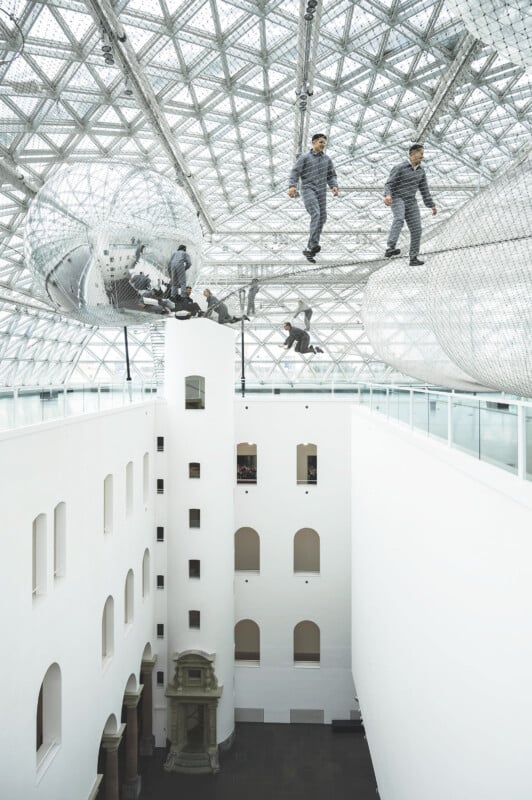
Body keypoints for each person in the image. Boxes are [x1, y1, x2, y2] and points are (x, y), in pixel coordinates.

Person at [288, 133, 339, 262]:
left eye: (324, 143)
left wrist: (334, 185)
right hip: (308, 189)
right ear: (314, 142)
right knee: (316, 213)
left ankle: (310, 249)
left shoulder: (327, 159)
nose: (323, 145)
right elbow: (295, 171)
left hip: (321, 191)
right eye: (321, 142)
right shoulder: (305, 157)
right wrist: (292, 186)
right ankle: (313, 244)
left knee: (322, 217)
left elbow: (331, 175)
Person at [383, 144, 437, 266]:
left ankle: (413, 258)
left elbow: (424, 190)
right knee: (399, 218)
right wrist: (387, 195)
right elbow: (389, 184)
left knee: (417, 229)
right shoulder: (400, 167)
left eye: (423, 154)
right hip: (397, 198)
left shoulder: (421, 172)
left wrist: (431, 205)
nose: (422, 156)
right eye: (421, 153)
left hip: (411, 201)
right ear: (412, 153)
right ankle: (390, 247)